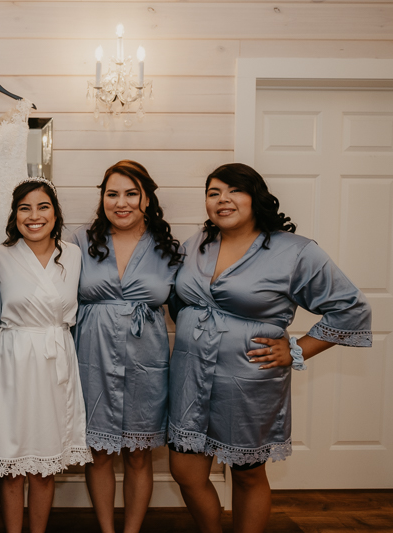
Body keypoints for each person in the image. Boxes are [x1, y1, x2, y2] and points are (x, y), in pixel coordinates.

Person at [168, 163, 372, 533]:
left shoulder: (294, 251)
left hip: (247, 378)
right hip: (189, 373)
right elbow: (178, 300)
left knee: (246, 474)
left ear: (255, 197)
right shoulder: (196, 244)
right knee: (184, 470)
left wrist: (297, 349)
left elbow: (350, 308)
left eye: (234, 191)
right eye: (213, 193)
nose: (222, 200)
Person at [71, 160, 183, 533]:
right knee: (99, 454)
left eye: (131, 194)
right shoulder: (80, 243)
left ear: (147, 198)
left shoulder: (168, 248)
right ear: (102, 198)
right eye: (112, 194)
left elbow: (190, 306)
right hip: (91, 355)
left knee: (139, 454)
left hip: (145, 359)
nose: (121, 202)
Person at [0, 178, 92, 533]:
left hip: (57, 360)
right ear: (14, 215)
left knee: (46, 464)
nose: (34, 216)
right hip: (13, 361)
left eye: (43, 206)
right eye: (25, 208)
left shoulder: (74, 254)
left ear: (55, 212)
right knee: (13, 460)